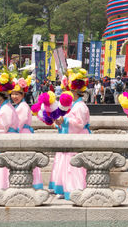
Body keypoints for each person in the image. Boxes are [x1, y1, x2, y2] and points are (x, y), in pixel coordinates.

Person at [49, 67, 90, 200]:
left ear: (76, 92)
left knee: (73, 165)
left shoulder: (80, 106)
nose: (68, 92)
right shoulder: (71, 105)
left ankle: (74, 188)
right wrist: (59, 121)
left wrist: (65, 119)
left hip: (77, 137)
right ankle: (63, 187)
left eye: (70, 90)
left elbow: (79, 123)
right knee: (64, 163)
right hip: (67, 136)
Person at [12, 77, 43, 190]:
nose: (14, 97)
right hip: (23, 133)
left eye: (17, 94)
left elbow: (18, 124)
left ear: (22, 95)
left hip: (22, 134)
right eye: (13, 94)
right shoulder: (20, 106)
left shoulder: (23, 107)